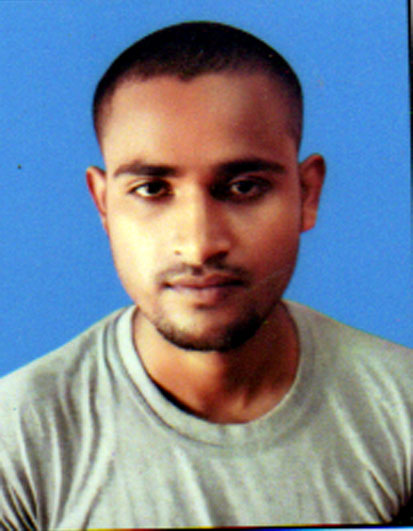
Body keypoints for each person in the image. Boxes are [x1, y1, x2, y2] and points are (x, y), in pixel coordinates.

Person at [0, 21, 411, 529]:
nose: (198, 245)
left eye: (244, 187)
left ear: (307, 195)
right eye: (152, 189)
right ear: (103, 205)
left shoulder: (403, 409)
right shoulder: (18, 440)